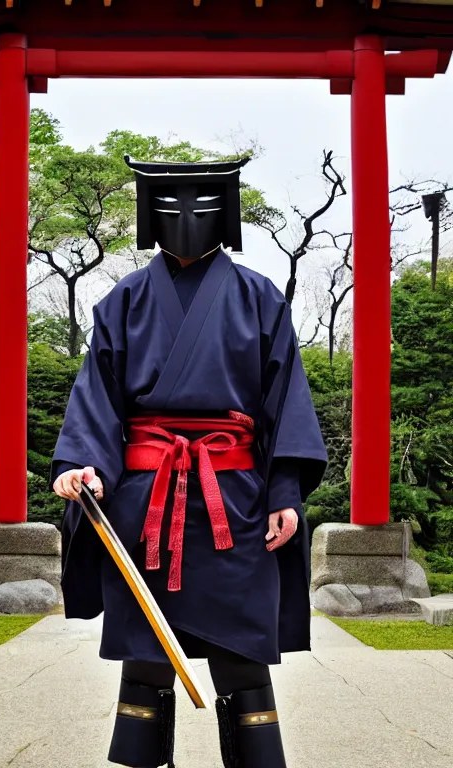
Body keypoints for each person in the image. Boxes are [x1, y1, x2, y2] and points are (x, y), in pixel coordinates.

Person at [52, 155, 327, 768]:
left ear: (225, 212)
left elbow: (286, 399)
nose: (184, 217)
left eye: (201, 204)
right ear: (149, 213)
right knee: (146, 658)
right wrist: (84, 464)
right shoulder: (124, 300)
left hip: (236, 501)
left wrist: (284, 491)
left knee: (242, 657)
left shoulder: (259, 297)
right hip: (144, 500)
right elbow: (96, 397)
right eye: (170, 204)